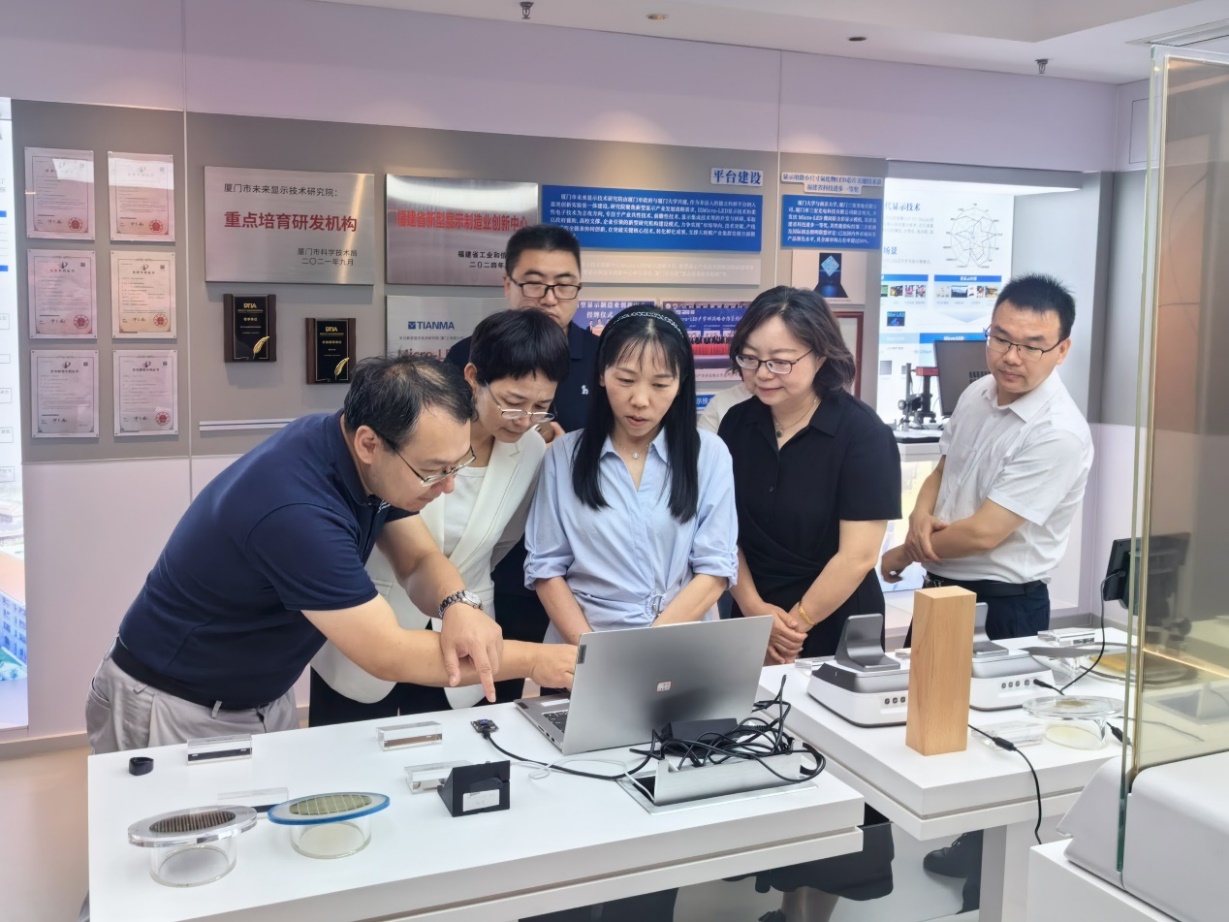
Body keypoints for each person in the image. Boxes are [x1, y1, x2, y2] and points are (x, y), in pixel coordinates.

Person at [84, 354, 578, 756]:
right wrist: (537, 660)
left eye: (457, 466)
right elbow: (387, 652)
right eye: (434, 471)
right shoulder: (297, 512)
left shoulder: (351, 447)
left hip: (260, 696)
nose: (447, 486)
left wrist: (457, 603)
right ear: (369, 444)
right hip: (176, 701)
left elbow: (416, 559)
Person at [879, 273, 1094, 914]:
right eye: (1001, 338)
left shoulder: (1057, 431)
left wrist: (902, 552)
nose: (1011, 356)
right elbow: (943, 470)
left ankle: (991, 880)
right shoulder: (977, 392)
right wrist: (918, 517)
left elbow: (987, 532)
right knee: (932, 722)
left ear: (1062, 349)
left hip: (1006, 604)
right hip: (942, 589)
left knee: (998, 742)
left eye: (1031, 345)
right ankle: (967, 843)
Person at [523, 305, 738, 922]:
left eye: (660, 384)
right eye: (624, 379)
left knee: (658, 823)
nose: (641, 400)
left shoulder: (709, 454)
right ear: (601, 377)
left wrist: (647, 651)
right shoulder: (565, 457)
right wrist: (598, 655)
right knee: (571, 813)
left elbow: (715, 569)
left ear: (682, 384)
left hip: (679, 654)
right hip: (581, 652)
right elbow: (546, 568)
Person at [717, 286, 899, 922]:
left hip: (835, 621)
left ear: (822, 356)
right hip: (753, 611)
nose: (762, 373)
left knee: (835, 768)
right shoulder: (738, 423)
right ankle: (782, 890)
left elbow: (858, 554)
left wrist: (792, 626)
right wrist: (752, 607)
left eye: (780, 360)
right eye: (750, 358)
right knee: (763, 754)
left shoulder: (862, 434)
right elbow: (722, 531)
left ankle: (809, 915)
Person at [309, 310, 571, 723]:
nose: (525, 420)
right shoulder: (413, 430)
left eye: (541, 407)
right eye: (512, 403)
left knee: (450, 754)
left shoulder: (532, 451)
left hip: (467, 638)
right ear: (472, 376)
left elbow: (504, 540)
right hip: (377, 620)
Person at [445, 223, 599, 700]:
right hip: (488, 570)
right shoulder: (463, 355)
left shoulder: (603, 359)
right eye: (534, 283)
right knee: (488, 686)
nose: (549, 298)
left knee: (546, 695)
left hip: (567, 567)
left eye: (564, 284)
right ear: (508, 283)